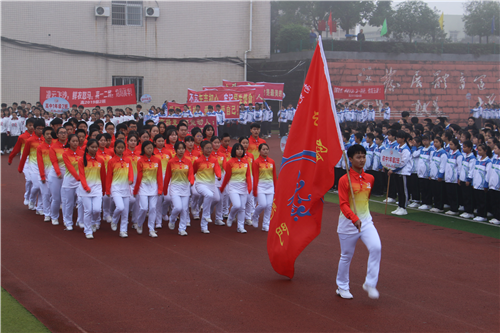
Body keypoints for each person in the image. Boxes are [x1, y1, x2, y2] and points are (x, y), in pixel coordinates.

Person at [336, 144, 381, 300]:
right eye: (358, 157)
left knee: (376, 247)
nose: (362, 160)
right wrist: (353, 218)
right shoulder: (344, 180)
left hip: (366, 222)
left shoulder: (370, 178)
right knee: (346, 256)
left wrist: (361, 217)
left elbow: (365, 200)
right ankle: (342, 286)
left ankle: (370, 283)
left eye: (363, 156)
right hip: (348, 224)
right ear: (350, 159)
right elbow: (343, 204)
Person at [220, 143, 252, 233]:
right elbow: (227, 176)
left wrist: (249, 186)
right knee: (237, 205)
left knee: (242, 208)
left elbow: (248, 175)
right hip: (233, 187)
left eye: (241, 149)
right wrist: (222, 187)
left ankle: (240, 227)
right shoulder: (230, 162)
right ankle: (231, 216)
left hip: (243, 187)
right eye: (237, 149)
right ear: (234, 151)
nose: (240, 151)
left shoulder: (246, 162)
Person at [164, 141, 194, 236]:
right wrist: (164, 189)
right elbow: (168, 176)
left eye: (182, 148)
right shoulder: (171, 162)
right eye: (179, 149)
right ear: (175, 150)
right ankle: (172, 219)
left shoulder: (188, 162)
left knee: (184, 209)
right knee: (178, 207)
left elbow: (191, 174)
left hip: (185, 188)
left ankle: (182, 228)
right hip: (175, 188)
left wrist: (191, 181)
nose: (181, 150)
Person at [133, 141, 163, 238]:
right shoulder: (140, 161)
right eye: (148, 148)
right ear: (143, 149)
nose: (150, 150)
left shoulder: (157, 160)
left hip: (154, 188)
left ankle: (151, 229)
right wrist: (135, 190)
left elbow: (159, 175)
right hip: (143, 188)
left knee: (153, 208)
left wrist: (160, 189)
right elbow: (139, 176)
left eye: (151, 148)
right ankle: (139, 223)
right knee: (144, 208)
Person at [78, 139, 106, 239]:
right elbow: (81, 175)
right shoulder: (82, 160)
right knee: (88, 210)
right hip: (86, 189)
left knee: (97, 210)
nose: (94, 149)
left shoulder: (100, 160)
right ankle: (88, 230)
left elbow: (103, 176)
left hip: (97, 188)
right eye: (92, 147)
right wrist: (86, 187)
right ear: (88, 148)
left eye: (96, 147)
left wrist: (104, 189)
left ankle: (94, 222)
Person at [106, 140, 134, 237]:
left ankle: (123, 230)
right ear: (115, 148)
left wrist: (131, 179)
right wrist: (107, 189)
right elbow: (109, 176)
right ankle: (114, 219)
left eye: (122, 147)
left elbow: (131, 172)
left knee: (125, 211)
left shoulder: (127, 160)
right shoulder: (111, 161)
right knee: (120, 207)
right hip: (116, 188)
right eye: (118, 147)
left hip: (126, 188)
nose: (120, 149)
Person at [193, 140, 222, 233]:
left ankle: (207, 212)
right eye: (207, 148)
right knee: (209, 195)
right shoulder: (197, 161)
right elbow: (193, 171)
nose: (209, 150)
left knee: (217, 199)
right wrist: (191, 180)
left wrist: (219, 175)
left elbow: (217, 169)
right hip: (200, 184)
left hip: (211, 184)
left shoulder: (214, 160)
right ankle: (204, 223)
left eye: (210, 148)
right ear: (202, 149)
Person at [251, 143, 277, 232]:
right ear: (259, 151)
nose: (265, 151)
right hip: (260, 187)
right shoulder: (256, 162)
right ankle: (255, 215)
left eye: (267, 149)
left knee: (269, 206)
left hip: (270, 187)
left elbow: (274, 176)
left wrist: (276, 188)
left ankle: (266, 224)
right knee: (263, 204)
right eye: (263, 149)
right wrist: (255, 189)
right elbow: (255, 176)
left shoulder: (272, 161)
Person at [61, 134, 82, 230]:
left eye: (76, 141)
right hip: (69, 182)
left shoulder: (81, 153)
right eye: (73, 141)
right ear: (69, 142)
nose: (75, 143)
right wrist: (78, 177)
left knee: (81, 201)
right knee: (69, 203)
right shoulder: (65, 154)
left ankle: (80, 220)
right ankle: (68, 221)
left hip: (79, 182)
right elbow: (70, 167)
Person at [48, 127, 68, 225]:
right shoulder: (53, 147)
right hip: (56, 176)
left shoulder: (70, 145)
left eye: (65, 132)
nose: (63, 134)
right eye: (61, 133)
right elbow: (54, 161)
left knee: (66, 199)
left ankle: (66, 219)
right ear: (57, 135)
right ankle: (54, 216)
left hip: (68, 176)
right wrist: (58, 173)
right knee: (56, 198)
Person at [37, 127, 55, 222]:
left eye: (51, 134)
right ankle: (47, 213)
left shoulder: (55, 146)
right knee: (45, 194)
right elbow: (40, 162)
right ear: (43, 136)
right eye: (47, 134)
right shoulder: (40, 147)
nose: (49, 136)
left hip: (54, 175)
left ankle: (52, 212)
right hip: (44, 174)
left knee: (54, 195)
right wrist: (42, 175)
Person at [472, 144, 492, 222]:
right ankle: (479, 214)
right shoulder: (478, 160)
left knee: (482, 201)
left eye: (480, 150)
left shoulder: (488, 161)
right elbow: (475, 172)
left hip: (482, 184)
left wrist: (486, 184)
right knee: (477, 199)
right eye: (478, 150)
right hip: (476, 183)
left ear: (485, 151)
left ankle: (483, 215)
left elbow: (488, 174)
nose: (478, 152)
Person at [458, 140, 476, 219]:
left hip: (467, 181)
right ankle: (466, 210)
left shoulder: (472, 158)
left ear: (470, 148)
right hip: (462, 179)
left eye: (465, 147)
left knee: (468, 196)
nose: (463, 149)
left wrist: (468, 179)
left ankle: (469, 211)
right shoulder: (465, 157)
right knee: (464, 196)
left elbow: (471, 170)